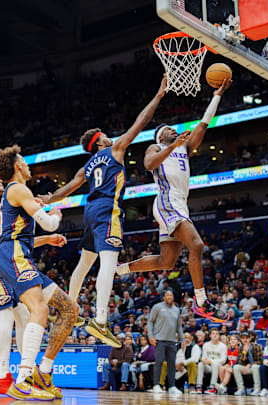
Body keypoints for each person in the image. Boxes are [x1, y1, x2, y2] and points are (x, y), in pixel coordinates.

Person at [39, 76, 168, 348]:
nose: (111, 137)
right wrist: (158, 96)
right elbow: (140, 123)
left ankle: (69, 307)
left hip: (90, 210)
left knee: (85, 262)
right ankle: (99, 320)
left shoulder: (86, 166)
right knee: (108, 262)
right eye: (106, 136)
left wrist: (48, 198)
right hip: (108, 209)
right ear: (100, 142)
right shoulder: (115, 149)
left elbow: (67, 190)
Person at [118, 79, 232, 323]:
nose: (173, 130)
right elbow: (149, 165)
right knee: (197, 246)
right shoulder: (154, 147)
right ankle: (202, 302)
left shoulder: (184, 148)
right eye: (168, 129)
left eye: (174, 129)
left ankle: (121, 269)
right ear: (160, 136)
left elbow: (204, 123)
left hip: (180, 203)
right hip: (166, 201)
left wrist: (217, 95)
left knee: (166, 262)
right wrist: (172, 145)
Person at [0, 171, 65, 395]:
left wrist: (46, 238)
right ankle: (2, 376)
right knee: (6, 314)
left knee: (24, 314)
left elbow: (15, 238)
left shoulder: (1, 205)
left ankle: (25, 372)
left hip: (2, 262)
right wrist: (28, 207)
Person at [0, 145, 80, 400]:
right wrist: (55, 214)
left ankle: (43, 372)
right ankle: (22, 380)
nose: (29, 166)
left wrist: (45, 239)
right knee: (39, 309)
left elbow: (17, 234)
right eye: (25, 162)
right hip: (14, 257)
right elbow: (48, 221)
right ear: (18, 166)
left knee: (70, 309)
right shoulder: (19, 188)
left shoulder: (16, 193)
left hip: (18, 254)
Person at [148, 291, 183, 394]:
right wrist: (151, 336)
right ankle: (156, 385)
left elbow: (179, 326)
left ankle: (172, 386)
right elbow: (150, 321)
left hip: (172, 341)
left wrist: (183, 339)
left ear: (173, 297)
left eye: (171, 295)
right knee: (159, 362)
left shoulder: (176, 310)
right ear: (164, 297)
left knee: (172, 364)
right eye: (167, 295)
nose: (169, 297)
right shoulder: (157, 307)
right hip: (159, 339)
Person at [193, 328, 227, 394]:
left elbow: (223, 360)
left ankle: (212, 387)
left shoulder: (223, 346)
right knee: (200, 364)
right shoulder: (206, 345)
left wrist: (211, 361)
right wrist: (203, 360)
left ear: (219, 336)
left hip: (218, 367)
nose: (215, 335)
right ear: (210, 335)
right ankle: (199, 386)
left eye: (217, 334)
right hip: (208, 367)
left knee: (214, 364)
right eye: (213, 334)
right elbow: (204, 357)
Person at [232, 331, 263, 396]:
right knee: (236, 367)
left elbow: (260, 361)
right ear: (241, 340)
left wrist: (249, 365)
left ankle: (257, 389)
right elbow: (240, 362)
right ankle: (241, 389)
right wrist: (244, 352)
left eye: (247, 338)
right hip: (247, 368)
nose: (245, 340)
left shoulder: (257, 347)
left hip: (256, 368)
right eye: (243, 338)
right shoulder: (241, 348)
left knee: (254, 367)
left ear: (250, 339)